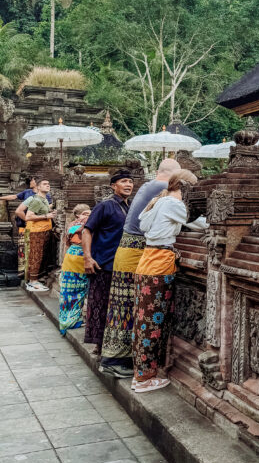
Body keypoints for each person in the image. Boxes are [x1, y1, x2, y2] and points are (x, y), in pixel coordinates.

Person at [100, 159, 181, 378]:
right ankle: (115, 360)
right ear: (173, 176)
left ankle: (115, 358)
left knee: (124, 305)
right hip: (134, 251)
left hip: (129, 249)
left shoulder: (149, 185)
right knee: (126, 307)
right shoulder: (162, 187)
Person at [132, 169, 199, 393]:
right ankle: (144, 378)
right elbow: (197, 223)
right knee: (152, 323)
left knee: (144, 321)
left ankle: (142, 373)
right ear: (185, 188)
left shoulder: (158, 201)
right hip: (159, 262)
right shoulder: (173, 204)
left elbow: (142, 225)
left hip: (147, 260)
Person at [82, 170, 134, 359]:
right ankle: (98, 345)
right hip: (102, 263)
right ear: (114, 186)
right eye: (123, 181)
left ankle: (116, 345)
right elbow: (86, 231)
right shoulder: (105, 206)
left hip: (123, 265)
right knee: (100, 305)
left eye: (130, 181)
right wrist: (87, 257)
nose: (128, 184)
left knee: (118, 307)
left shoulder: (130, 208)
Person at [15, 177, 54, 292]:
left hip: (43, 230)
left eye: (48, 183)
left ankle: (35, 280)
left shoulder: (45, 199)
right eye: (45, 184)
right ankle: (32, 282)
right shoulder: (36, 200)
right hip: (36, 231)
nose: (48, 185)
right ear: (38, 187)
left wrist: (50, 213)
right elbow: (28, 216)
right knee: (35, 256)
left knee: (40, 255)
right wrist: (47, 216)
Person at [58, 204, 91, 334]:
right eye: (85, 213)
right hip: (81, 256)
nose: (88, 216)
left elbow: (66, 244)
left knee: (68, 291)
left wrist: (63, 261)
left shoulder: (71, 224)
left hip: (70, 256)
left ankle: (66, 321)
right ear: (78, 214)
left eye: (89, 213)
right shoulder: (86, 224)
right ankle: (73, 320)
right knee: (79, 290)